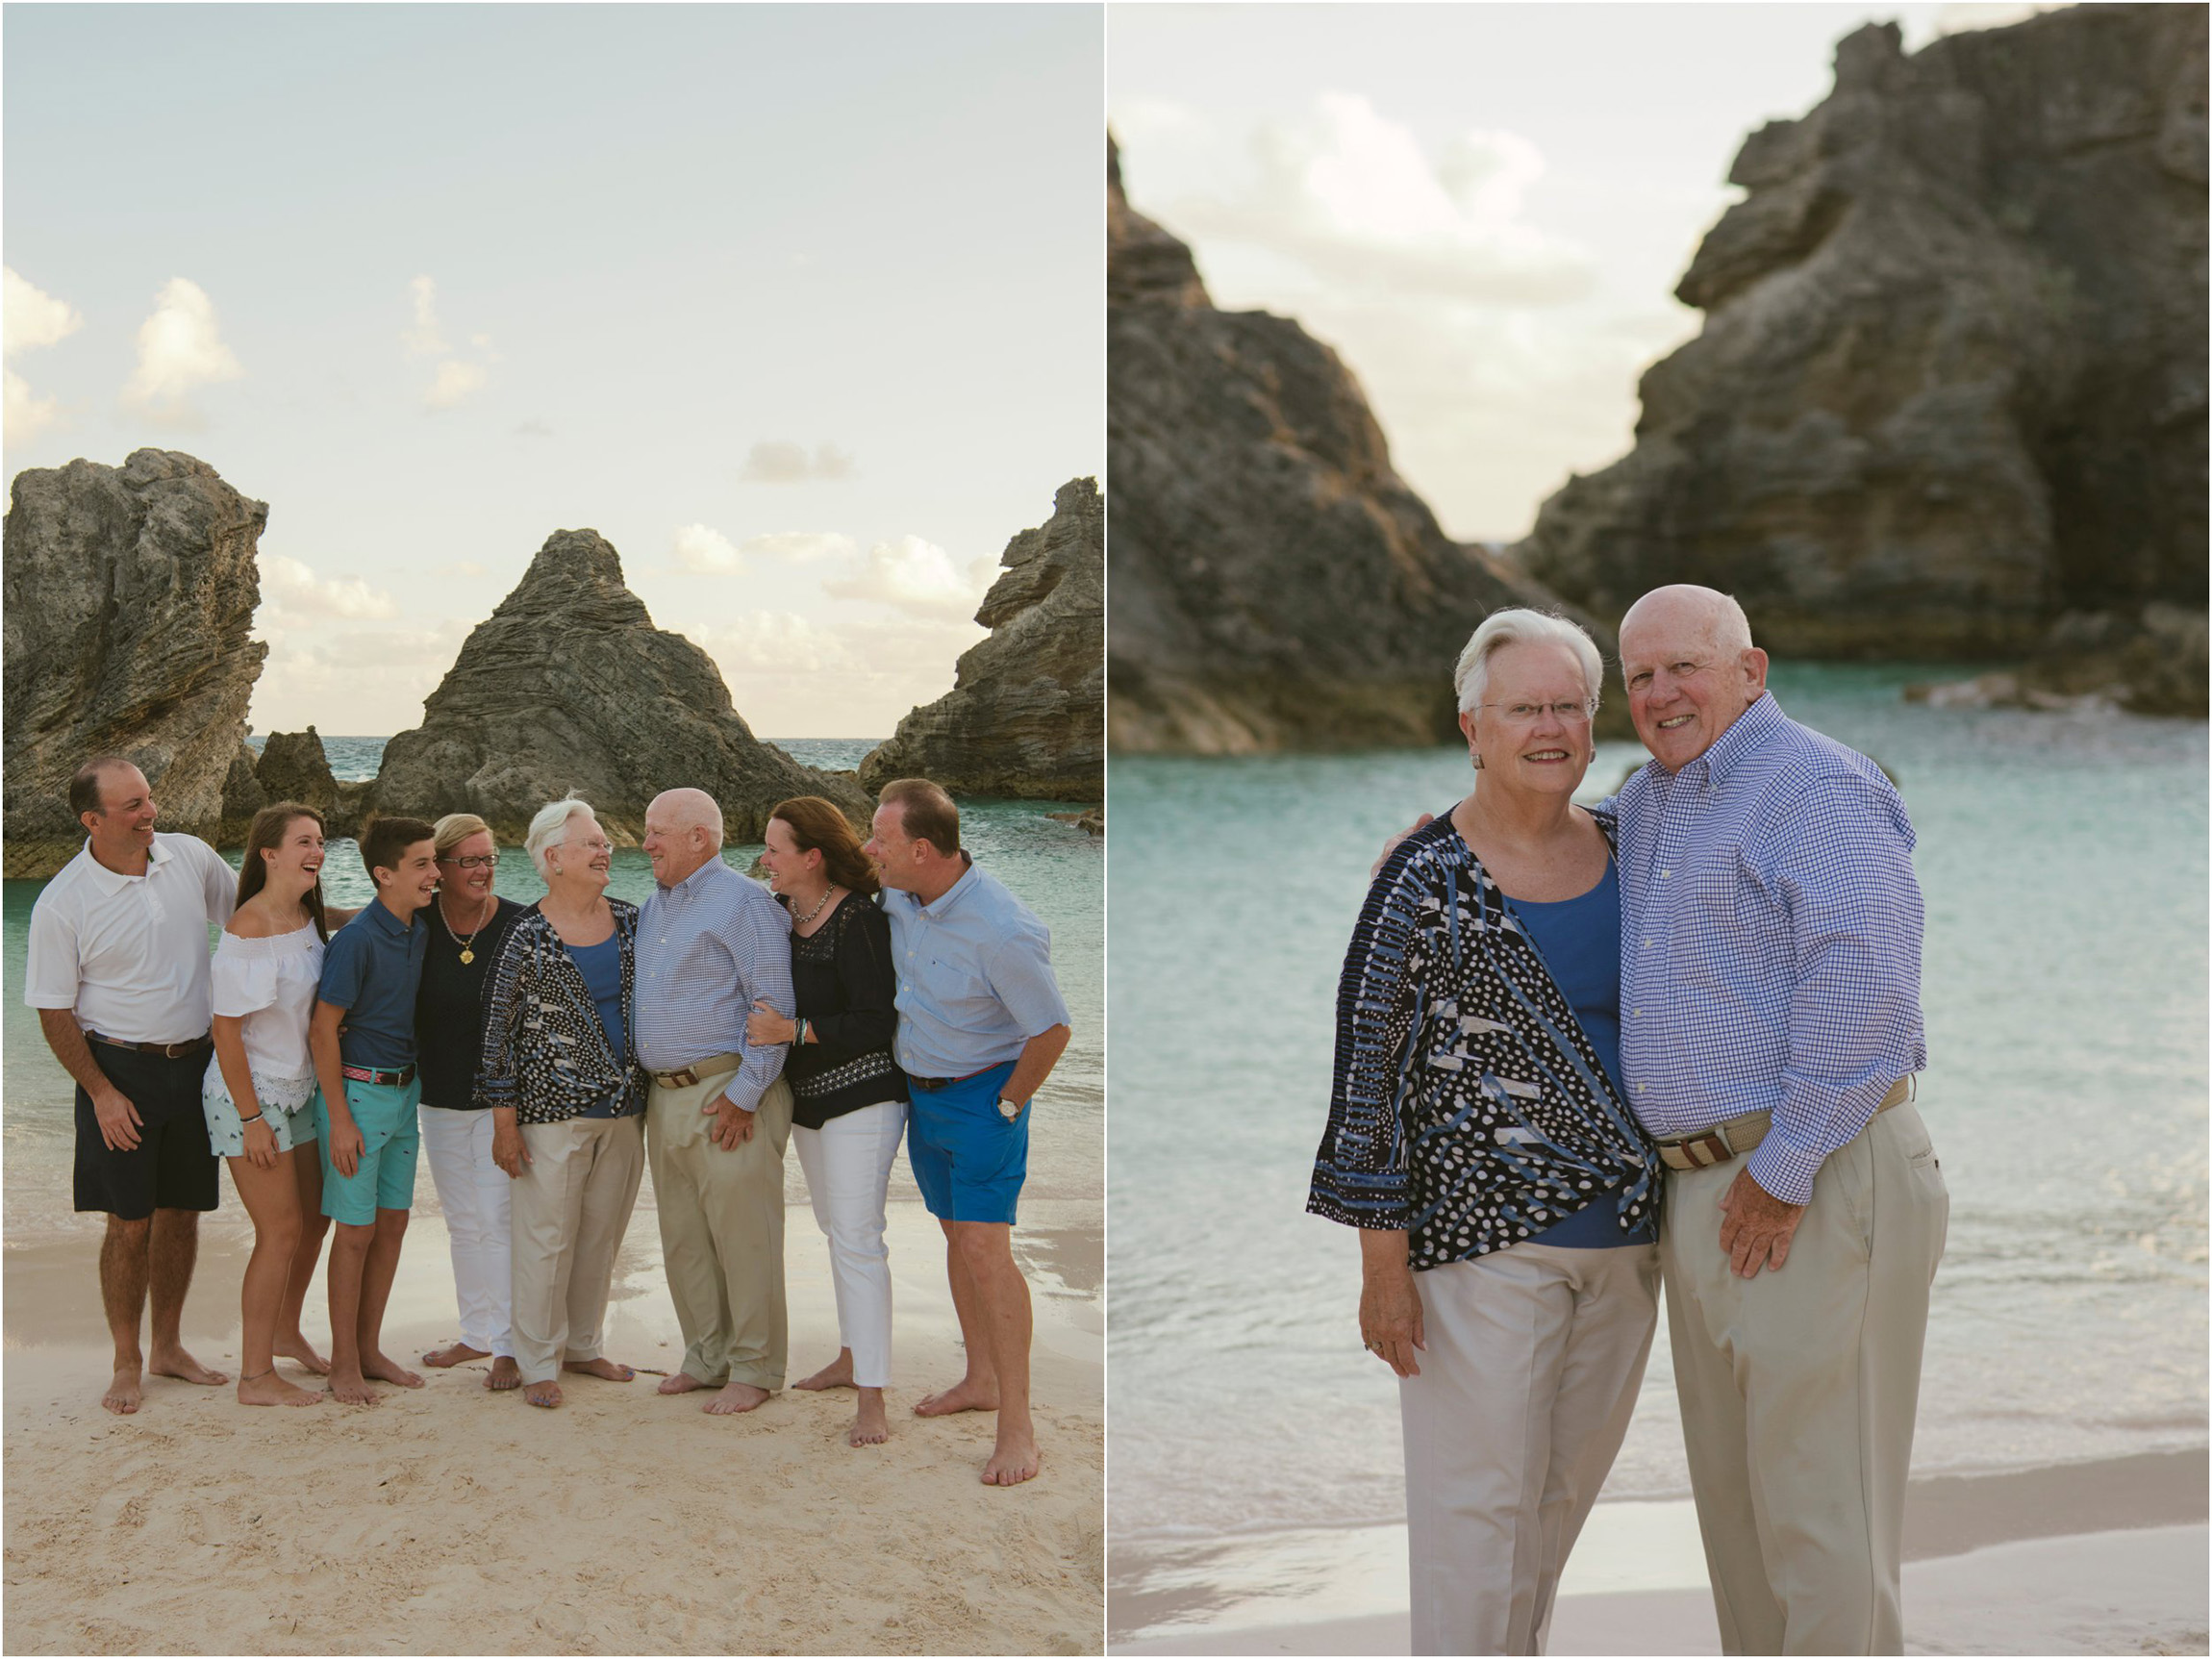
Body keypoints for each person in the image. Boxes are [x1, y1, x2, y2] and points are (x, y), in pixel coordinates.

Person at [1311, 612, 1662, 1655]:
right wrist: (1382, 1268)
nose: (1547, 727)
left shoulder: (1634, 844)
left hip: (1632, 1243)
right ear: (1472, 725)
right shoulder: (1420, 878)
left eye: (1567, 706)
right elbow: (1365, 1081)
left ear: (1594, 725)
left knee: (1550, 1521)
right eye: (1523, 709)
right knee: (1475, 1527)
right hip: (1478, 1253)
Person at [1613, 585, 1945, 1655]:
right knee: (1740, 1519)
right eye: (1637, 677)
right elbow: (1558, 845)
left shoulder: (1814, 787)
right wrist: (1437, 839)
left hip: (1815, 1172)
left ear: (1749, 672)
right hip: (1703, 1187)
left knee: (1820, 1516)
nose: (1660, 694)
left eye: (1683, 668)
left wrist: (1784, 1168)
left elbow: (1867, 998)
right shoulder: (1653, 800)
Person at [864, 777, 1070, 1487]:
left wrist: (1008, 1105)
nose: (871, 851)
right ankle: (978, 1377)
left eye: (881, 840)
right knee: (957, 1234)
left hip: (986, 1098)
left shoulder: (1004, 927)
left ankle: (1018, 1425)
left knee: (987, 1249)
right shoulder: (900, 895)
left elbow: (1052, 1030)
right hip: (923, 1096)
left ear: (922, 849)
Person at [24, 757, 235, 1415]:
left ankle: (169, 1346)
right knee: (130, 1222)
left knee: (181, 1214)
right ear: (93, 819)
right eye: (132, 806)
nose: (150, 813)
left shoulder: (191, 857)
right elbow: (54, 1011)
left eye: (148, 798)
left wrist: (368, 916)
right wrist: (100, 1091)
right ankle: (126, 1359)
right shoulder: (63, 902)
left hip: (197, 1064)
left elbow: (258, 914)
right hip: (119, 1073)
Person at [746, 794, 910, 1447]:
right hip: (808, 1104)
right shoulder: (780, 914)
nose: (764, 859)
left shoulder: (859, 921)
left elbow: (877, 1020)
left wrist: (794, 1030)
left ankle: (873, 1399)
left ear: (812, 856)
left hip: (864, 1100)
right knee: (836, 1231)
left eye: (775, 848)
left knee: (857, 1239)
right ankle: (850, 1356)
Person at [478, 798, 647, 1409]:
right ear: (553, 858)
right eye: (592, 843)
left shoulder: (631, 921)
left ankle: (582, 1345)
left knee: (601, 1237)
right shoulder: (525, 935)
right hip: (550, 1115)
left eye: (605, 842)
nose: (606, 850)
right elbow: (497, 1034)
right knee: (546, 1241)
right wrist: (504, 1123)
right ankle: (538, 1362)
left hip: (626, 1110)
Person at [636, 787, 796, 1416]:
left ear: (698, 838)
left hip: (727, 1092)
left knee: (744, 1236)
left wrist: (746, 1094)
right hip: (664, 1096)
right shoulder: (655, 905)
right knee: (684, 1238)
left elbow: (772, 1005)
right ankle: (706, 1357)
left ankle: (755, 1369)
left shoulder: (747, 902)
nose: (645, 842)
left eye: (656, 832)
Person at [203, 802, 340, 1406]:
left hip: (300, 1088)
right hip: (248, 1097)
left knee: (317, 1218)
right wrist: (253, 1119)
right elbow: (225, 1033)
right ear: (269, 853)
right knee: (280, 1231)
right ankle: (254, 1376)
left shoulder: (304, 913)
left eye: (320, 842)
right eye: (304, 842)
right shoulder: (248, 928)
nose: (317, 851)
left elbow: (337, 924)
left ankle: (286, 1332)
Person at [309, 813, 439, 1406]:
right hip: (357, 1098)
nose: (435, 874)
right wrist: (337, 1118)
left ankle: (369, 1349)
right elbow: (322, 1030)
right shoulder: (357, 939)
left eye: (436, 862)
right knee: (355, 1234)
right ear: (384, 875)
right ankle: (341, 1365)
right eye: (422, 864)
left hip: (405, 1092)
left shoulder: (418, 929)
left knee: (392, 1225)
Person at [414, 812, 527, 1392]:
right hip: (436, 1099)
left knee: (499, 1220)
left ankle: (508, 1345)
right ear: (440, 869)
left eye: (490, 859)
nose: (484, 870)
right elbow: (359, 929)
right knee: (462, 1223)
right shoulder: (417, 922)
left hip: (500, 1103)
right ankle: (475, 1332)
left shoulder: (519, 924)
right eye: (471, 861)